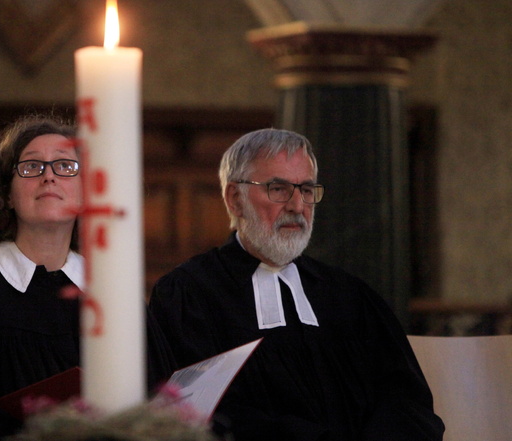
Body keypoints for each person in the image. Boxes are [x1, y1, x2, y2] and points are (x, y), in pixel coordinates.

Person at [149, 128, 445, 441]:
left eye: (305, 189)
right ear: (235, 198)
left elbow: (406, 400)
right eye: (278, 189)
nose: (296, 205)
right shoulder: (189, 295)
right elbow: (199, 415)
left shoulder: (350, 296)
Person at [0, 115, 174, 441]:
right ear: (6, 194)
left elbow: (160, 396)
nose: (49, 177)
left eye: (65, 167)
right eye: (31, 167)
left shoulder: (116, 293)